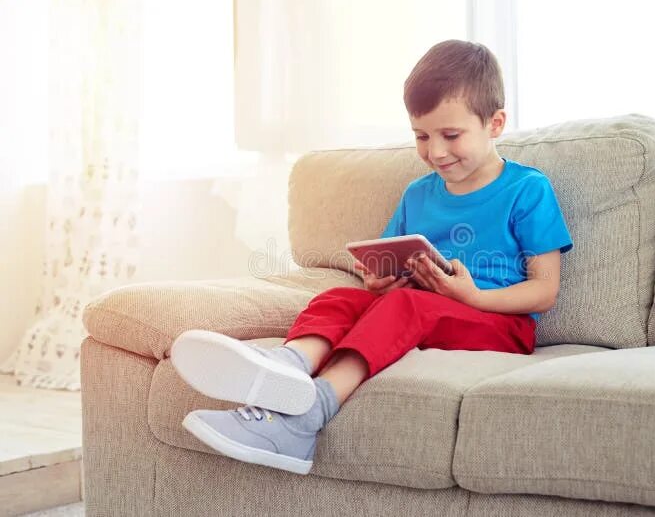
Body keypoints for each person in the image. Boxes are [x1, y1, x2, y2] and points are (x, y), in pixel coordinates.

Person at [170, 39, 573, 475]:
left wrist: (471, 296)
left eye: (451, 135)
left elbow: (544, 291)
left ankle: (307, 417)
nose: (435, 152)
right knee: (342, 298)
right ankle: (287, 366)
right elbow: (384, 270)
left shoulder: (527, 189)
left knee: (405, 304)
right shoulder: (418, 194)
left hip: (500, 324)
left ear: (495, 124)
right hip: (422, 309)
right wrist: (379, 280)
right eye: (421, 136)